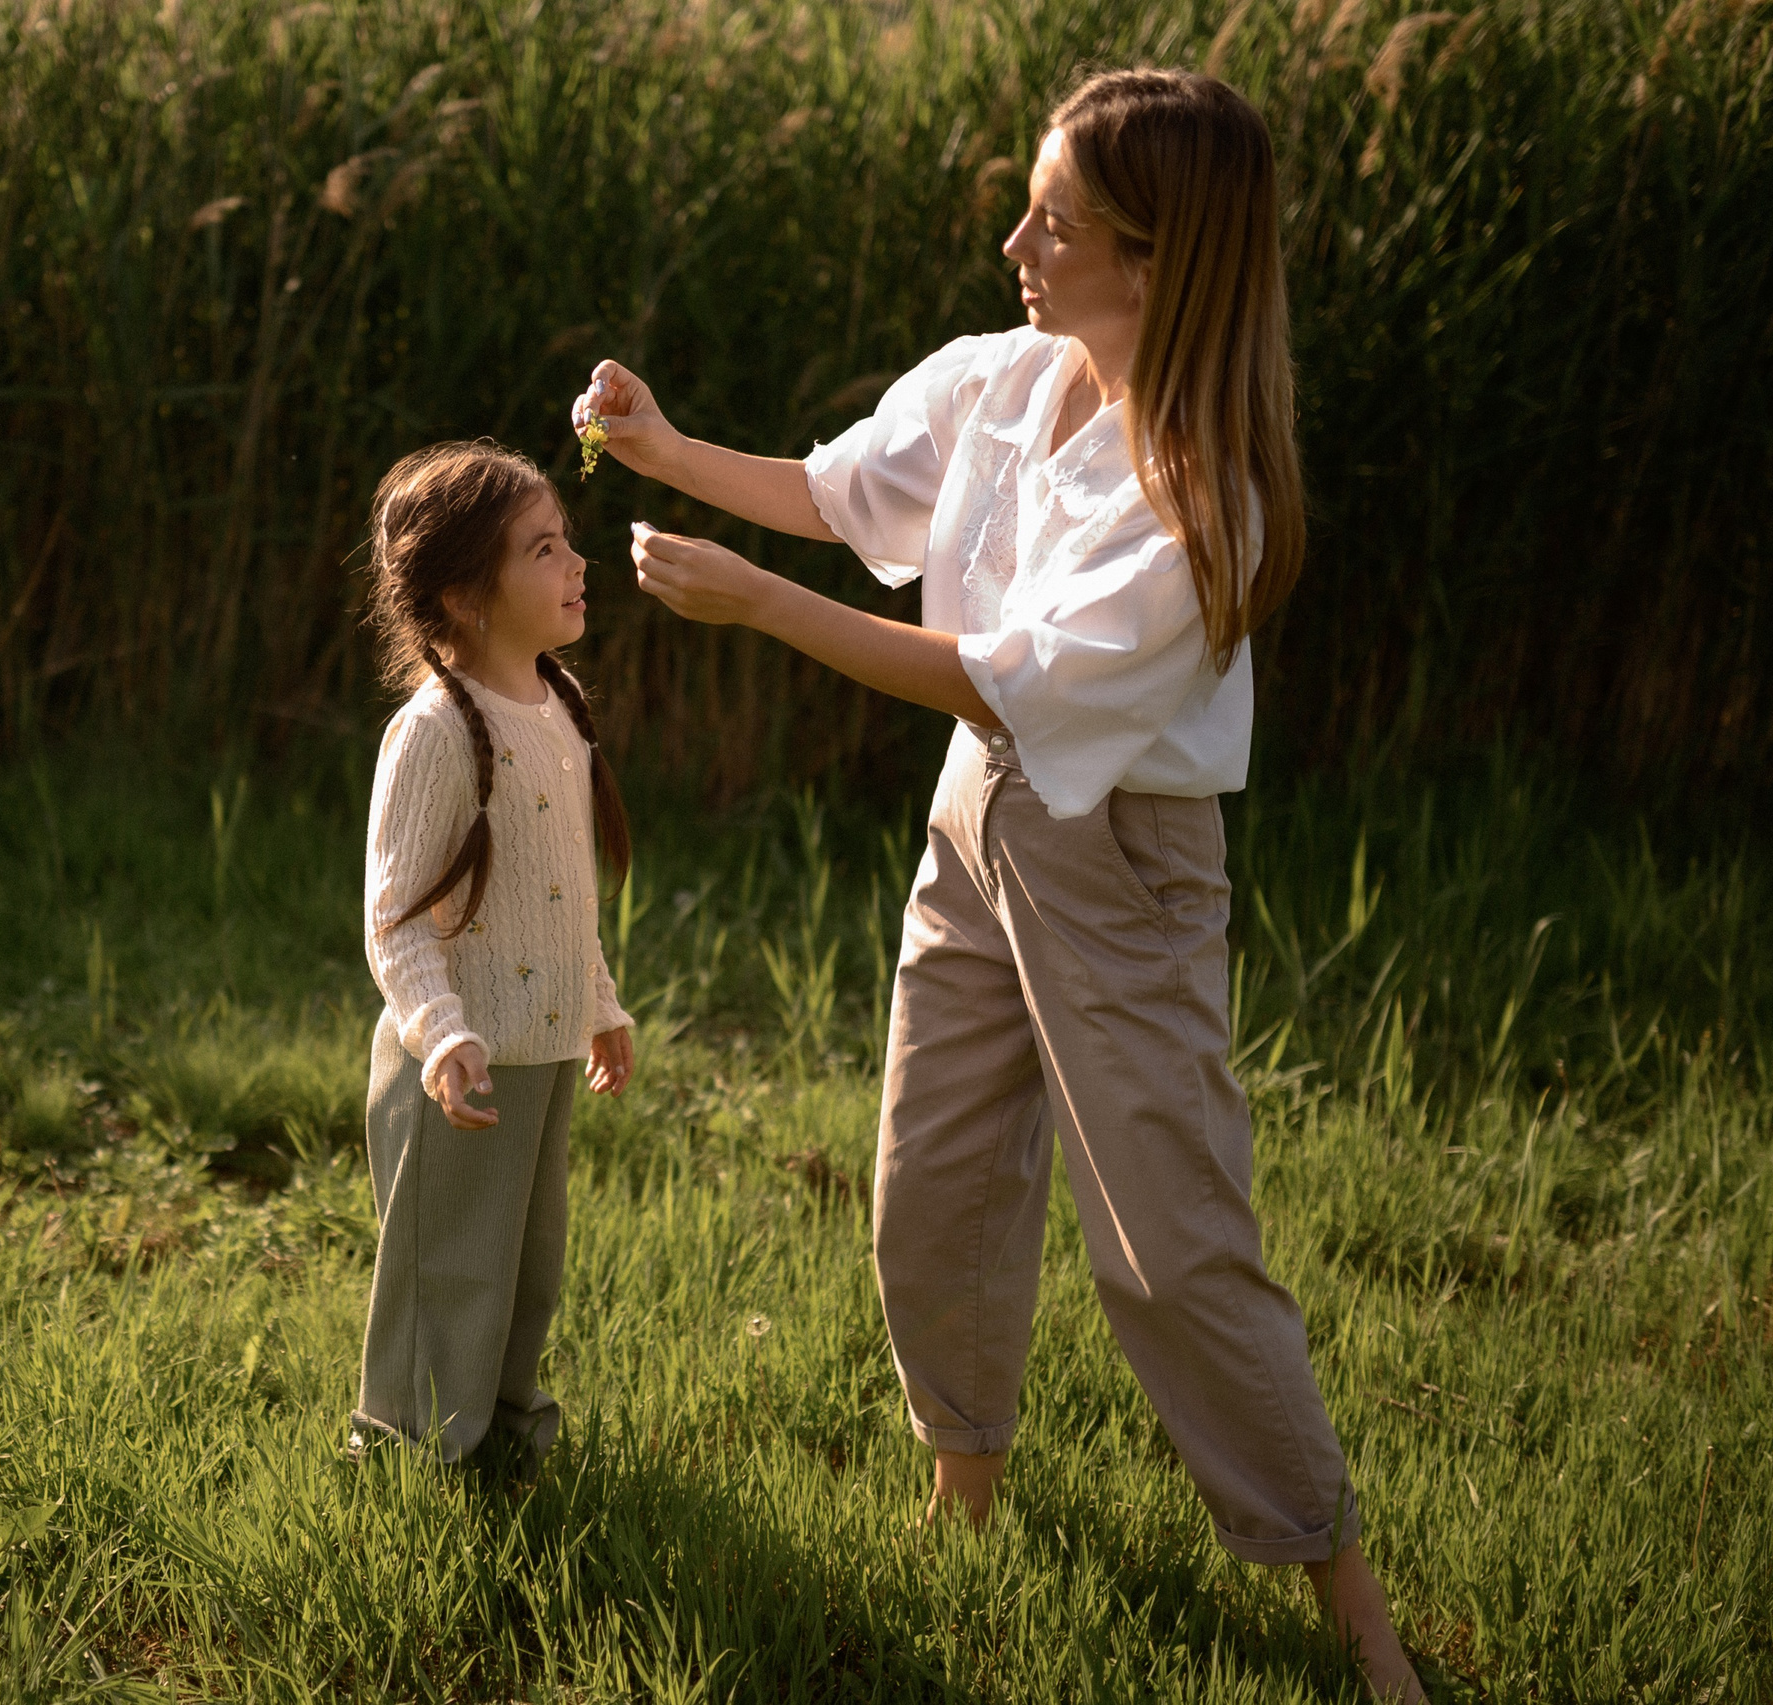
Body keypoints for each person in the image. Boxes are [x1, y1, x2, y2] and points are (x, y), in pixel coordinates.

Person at [571, 69, 1426, 1702]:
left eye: (1061, 220)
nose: (1018, 237)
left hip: (1117, 862)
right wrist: (662, 445)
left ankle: (1350, 1602)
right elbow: (842, 497)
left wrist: (762, 612)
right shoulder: (1008, 381)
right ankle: (963, 1501)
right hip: (980, 821)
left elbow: (998, 679)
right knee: (930, 1187)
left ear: (1163, 264)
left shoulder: (1202, 499)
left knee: (1170, 1249)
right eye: (1032, 201)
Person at [349, 439, 638, 1468]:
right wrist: (442, 1034)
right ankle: (411, 1454)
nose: (577, 565)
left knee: (525, 1264)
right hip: (461, 1066)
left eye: (568, 543)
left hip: (543, 1047)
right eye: (545, 549)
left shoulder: (557, 707)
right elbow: (397, 918)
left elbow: (559, 897)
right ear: (468, 597)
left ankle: (509, 1438)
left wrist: (596, 1001)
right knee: (451, 1268)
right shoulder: (433, 733)